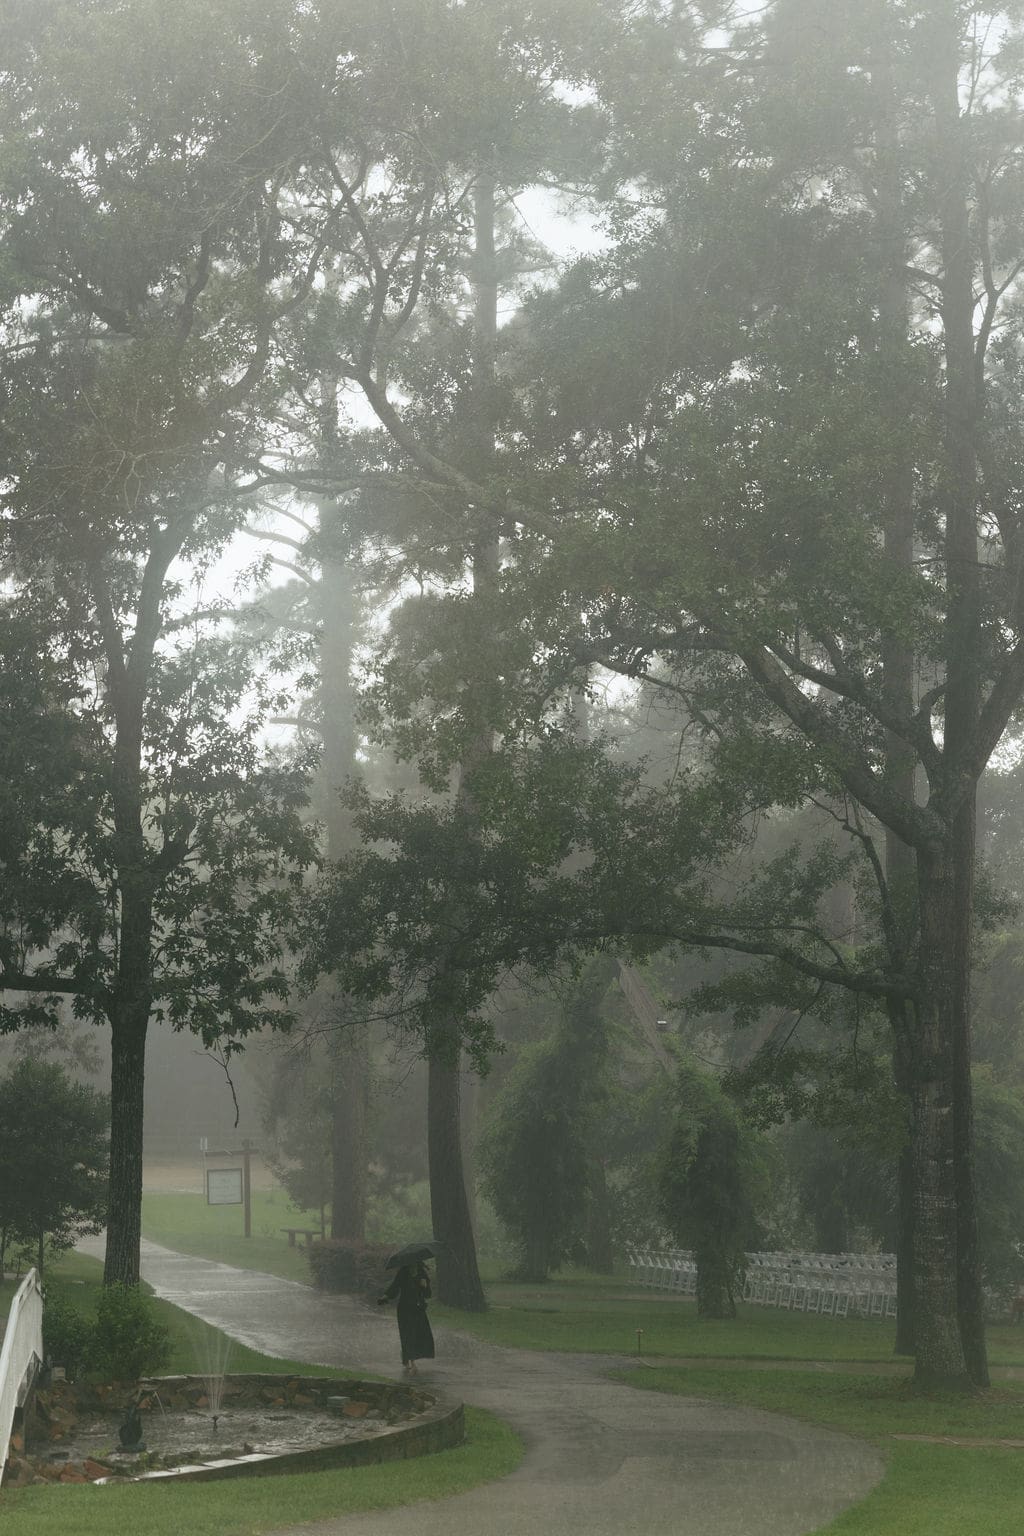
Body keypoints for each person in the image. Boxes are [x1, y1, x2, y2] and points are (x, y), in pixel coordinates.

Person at [377, 1260, 435, 1374]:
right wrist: (385, 1297)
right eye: (411, 1263)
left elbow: (428, 1294)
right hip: (404, 1309)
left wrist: (425, 1285)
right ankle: (411, 1362)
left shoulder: (422, 1274)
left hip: (418, 1309)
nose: (412, 1265)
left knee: (417, 1334)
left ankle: (407, 1358)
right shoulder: (403, 1272)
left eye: (415, 1263)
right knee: (407, 1334)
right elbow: (395, 1287)